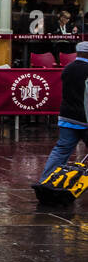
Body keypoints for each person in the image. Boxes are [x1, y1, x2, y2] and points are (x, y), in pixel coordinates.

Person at [39, 40, 88, 182]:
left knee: (61, 150)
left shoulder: (68, 68)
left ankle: (46, 180)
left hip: (67, 118)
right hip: (85, 119)